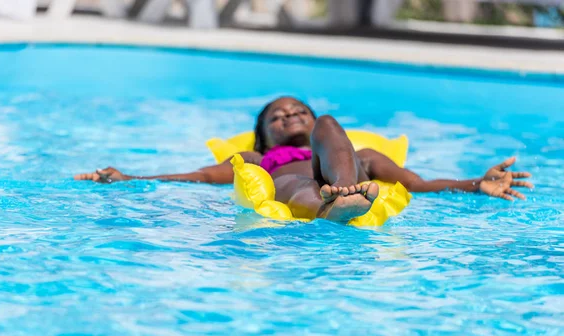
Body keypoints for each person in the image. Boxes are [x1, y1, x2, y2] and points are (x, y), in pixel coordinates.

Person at [75, 96, 533, 223]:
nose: (290, 117)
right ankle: (332, 209)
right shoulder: (257, 155)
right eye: (278, 116)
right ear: (264, 132)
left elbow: (418, 183)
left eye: (299, 112)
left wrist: (478, 183)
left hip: (347, 175)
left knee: (334, 128)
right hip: (304, 188)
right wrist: (129, 176)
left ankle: (345, 194)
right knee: (292, 186)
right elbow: (200, 176)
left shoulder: (362, 152)